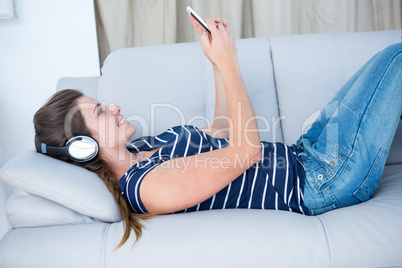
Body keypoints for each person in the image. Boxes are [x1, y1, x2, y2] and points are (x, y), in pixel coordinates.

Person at [33, 16, 402, 248]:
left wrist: (217, 63)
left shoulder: (143, 146)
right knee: (397, 58)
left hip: (310, 151)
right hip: (325, 178)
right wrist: (229, 65)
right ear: (83, 147)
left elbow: (221, 130)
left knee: (390, 60)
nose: (112, 107)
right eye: (99, 111)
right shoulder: (146, 187)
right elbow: (246, 151)